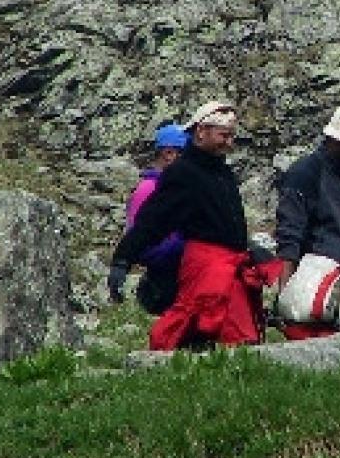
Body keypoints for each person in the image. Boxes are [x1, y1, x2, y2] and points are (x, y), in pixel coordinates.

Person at [110, 100, 275, 350]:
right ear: (201, 132)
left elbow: (227, 224)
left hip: (230, 265)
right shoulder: (183, 173)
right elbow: (153, 220)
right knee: (195, 325)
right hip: (205, 266)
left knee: (238, 335)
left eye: (232, 136)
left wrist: (248, 247)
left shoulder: (222, 172)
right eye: (223, 135)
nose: (229, 143)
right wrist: (123, 259)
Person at [275, 105, 340, 285]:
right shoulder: (304, 173)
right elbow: (289, 234)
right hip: (312, 280)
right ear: (336, 141)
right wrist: (285, 288)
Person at [111, 123, 189, 314]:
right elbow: (141, 241)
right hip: (164, 279)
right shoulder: (149, 189)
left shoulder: (174, 186)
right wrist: (184, 246)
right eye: (186, 154)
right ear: (168, 153)